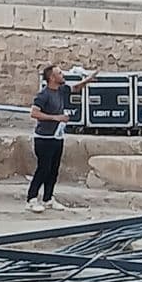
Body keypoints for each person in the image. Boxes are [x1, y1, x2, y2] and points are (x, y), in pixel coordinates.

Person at [26, 63, 94, 210]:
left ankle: (48, 198)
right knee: (43, 169)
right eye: (60, 73)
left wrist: (87, 80)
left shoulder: (61, 90)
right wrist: (56, 118)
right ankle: (31, 199)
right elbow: (34, 113)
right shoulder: (43, 95)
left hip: (57, 137)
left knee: (54, 169)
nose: (63, 75)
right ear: (52, 77)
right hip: (44, 138)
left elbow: (75, 88)